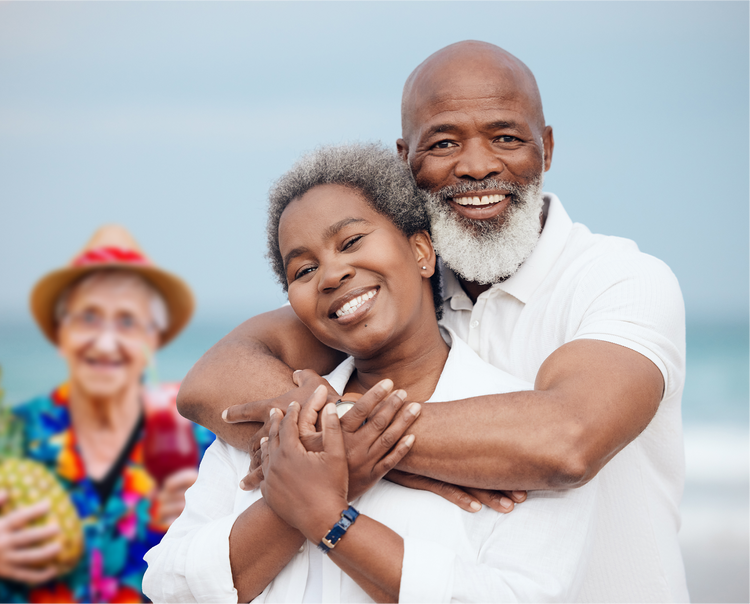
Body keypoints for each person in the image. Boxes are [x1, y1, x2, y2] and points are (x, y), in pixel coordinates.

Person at [177, 41, 688, 602]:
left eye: (507, 137)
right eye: (443, 142)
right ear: (405, 160)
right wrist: (343, 452)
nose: (476, 165)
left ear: (545, 147)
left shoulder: (620, 279)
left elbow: (568, 440)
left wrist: (343, 443)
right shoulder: (395, 286)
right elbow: (215, 381)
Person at [144, 143, 601, 604]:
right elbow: (167, 585)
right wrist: (296, 500)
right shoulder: (275, 421)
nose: (330, 274)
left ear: (422, 251)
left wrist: (328, 516)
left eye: (351, 242)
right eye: (303, 269)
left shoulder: (515, 436)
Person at [0, 225, 215, 604]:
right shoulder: (11, 436)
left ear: (152, 339)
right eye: (88, 318)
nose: (105, 341)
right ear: (60, 334)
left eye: (128, 322)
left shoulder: (200, 445)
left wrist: (208, 520)